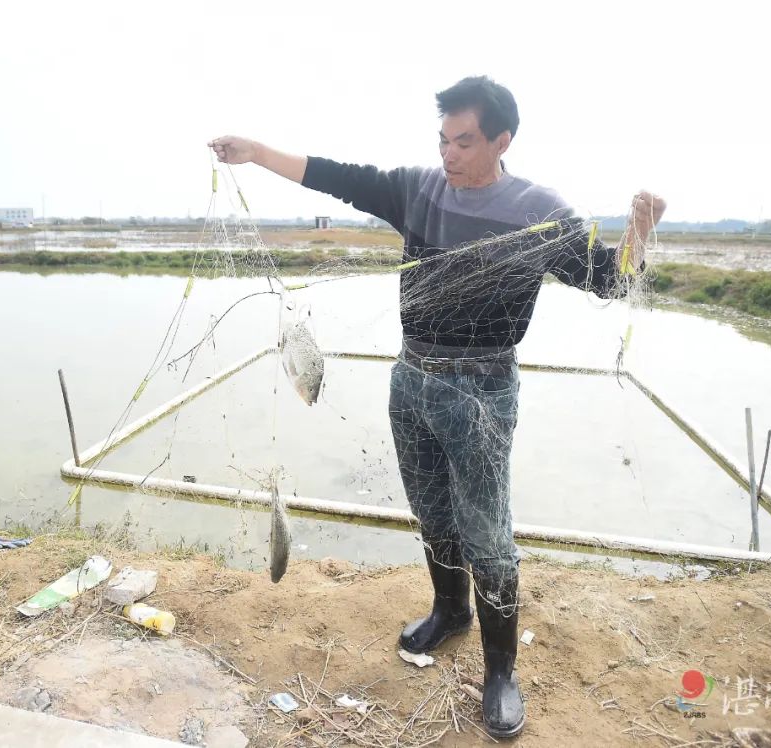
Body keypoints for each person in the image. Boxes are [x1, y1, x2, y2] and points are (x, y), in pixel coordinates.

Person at [210, 75, 665, 738]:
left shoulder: (538, 211)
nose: (449, 154)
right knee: (431, 512)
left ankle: (501, 674)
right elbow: (339, 176)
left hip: (483, 391)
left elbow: (606, 278)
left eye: (465, 141)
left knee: (487, 531)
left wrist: (639, 233)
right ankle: (450, 613)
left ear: (501, 141)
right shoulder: (418, 190)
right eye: (443, 140)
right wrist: (258, 151)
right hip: (412, 379)